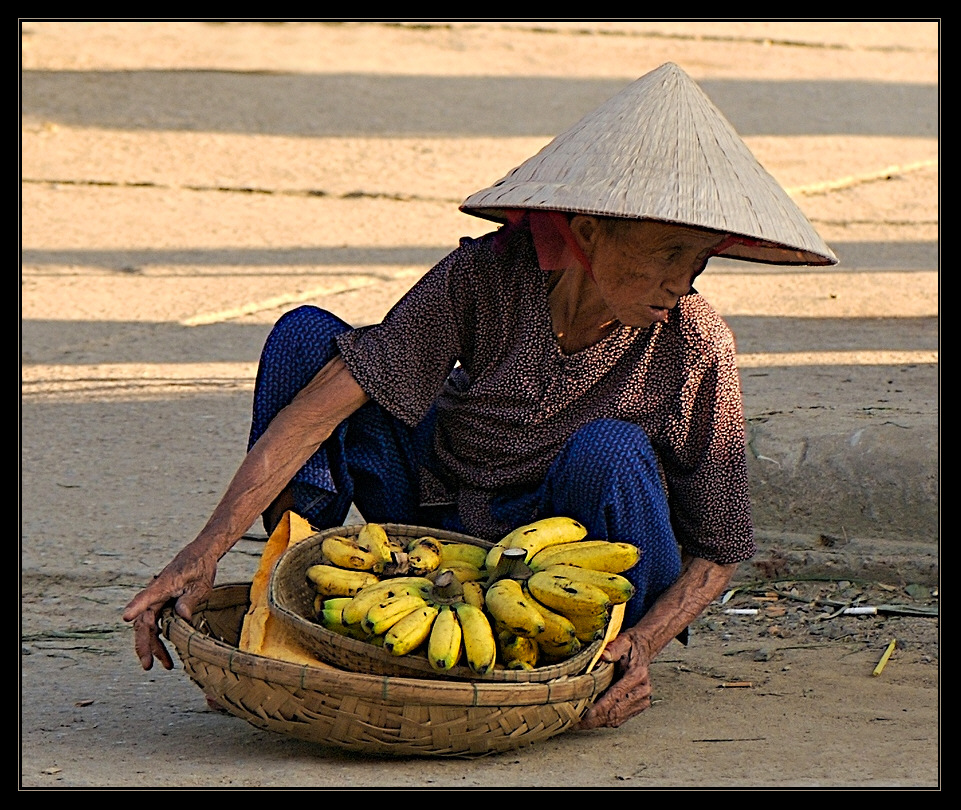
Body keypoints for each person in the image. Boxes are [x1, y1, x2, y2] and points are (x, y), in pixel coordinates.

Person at [123, 62, 836, 730]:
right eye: (668, 254)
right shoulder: (485, 276)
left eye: (700, 260)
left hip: (578, 561)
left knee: (609, 451)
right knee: (308, 337)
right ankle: (286, 603)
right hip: (442, 517)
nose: (683, 282)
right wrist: (203, 549)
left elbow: (718, 550)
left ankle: (600, 659)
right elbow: (326, 404)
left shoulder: (695, 340)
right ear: (587, 231)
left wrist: (647, 642)